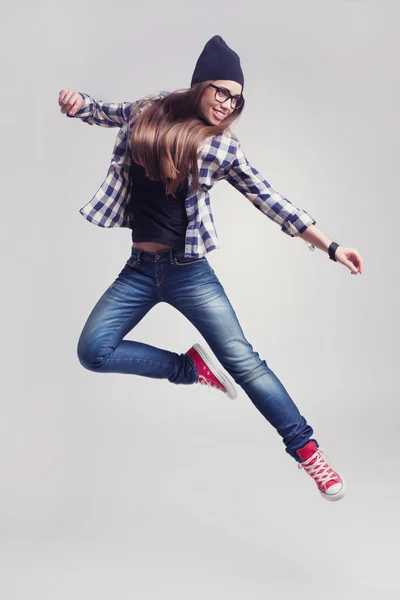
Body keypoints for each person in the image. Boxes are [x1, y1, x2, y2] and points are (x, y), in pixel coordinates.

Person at [59, 35, 363, 502]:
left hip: (189, 271)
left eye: (237, 98)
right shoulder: (149, 110)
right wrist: (79, 103)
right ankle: (189, 368)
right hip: (139, 269)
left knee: (244, 362)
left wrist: (331, 245)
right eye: (222, 91)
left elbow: (270, 199)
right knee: (93, 351)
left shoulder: (222, 148)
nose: (228, 103)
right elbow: (105, 111)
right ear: (200, 85)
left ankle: (308, 452)